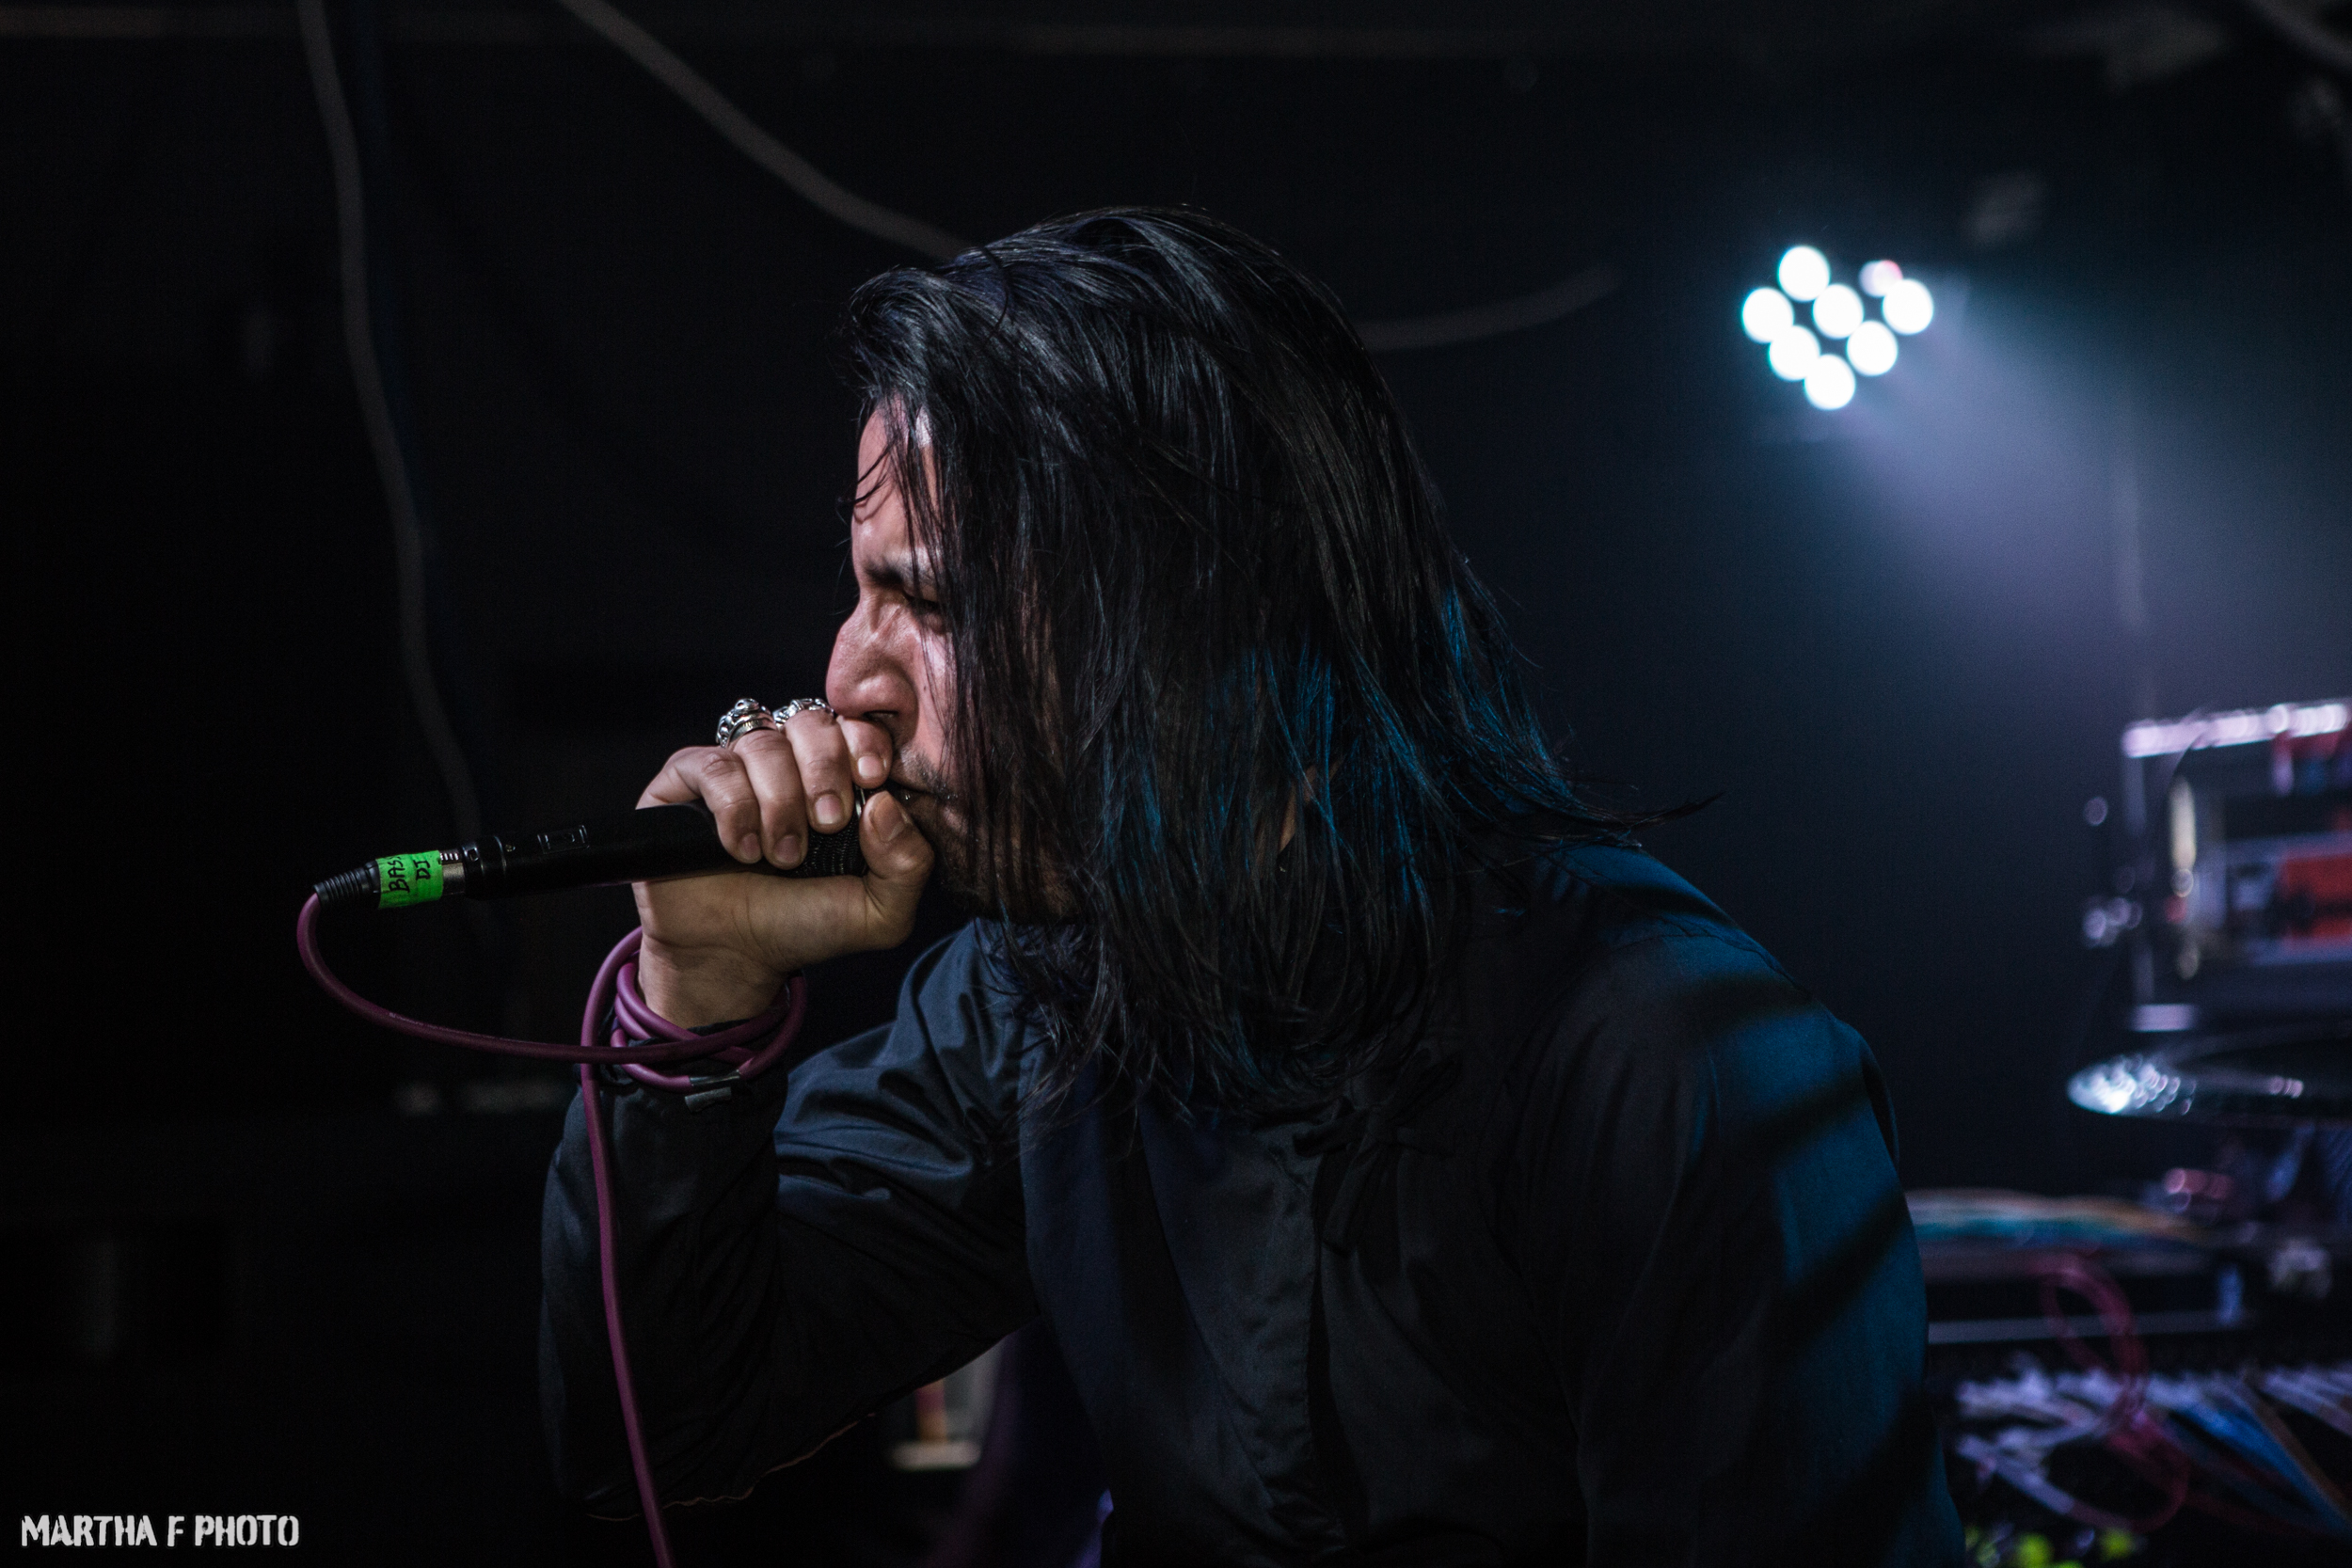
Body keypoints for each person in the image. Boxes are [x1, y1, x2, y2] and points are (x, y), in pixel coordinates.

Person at [541, 208, 1963, 1566]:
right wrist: (695, 1003)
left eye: (934, 604)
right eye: (863, 592)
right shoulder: (1031, 1002)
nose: (847, 679)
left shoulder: (1667, 1064)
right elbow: (656, 1432)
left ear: (1186, 611)